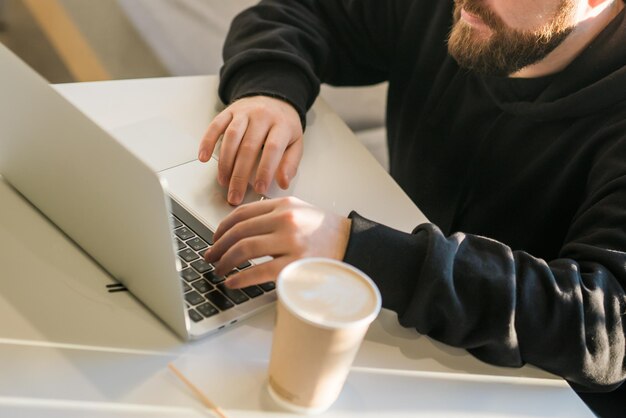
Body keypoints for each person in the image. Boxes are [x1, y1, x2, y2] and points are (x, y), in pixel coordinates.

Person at [197, 0, 626, 415]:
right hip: (399, 331)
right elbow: (298, 11)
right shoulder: (469, 11)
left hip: (529, 391)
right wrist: (271, 92)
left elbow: (601, 329)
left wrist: (357, 248)